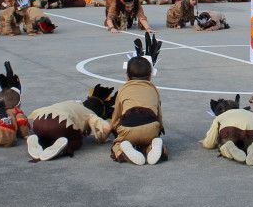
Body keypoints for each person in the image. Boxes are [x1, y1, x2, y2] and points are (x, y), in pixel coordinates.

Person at [102, 34, 165, 165]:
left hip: (129, 129)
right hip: (151, 127)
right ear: (150, 77)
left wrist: (110, 129)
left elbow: (117, 115)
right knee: (151, 138)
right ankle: (153, 146)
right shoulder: (154, 89)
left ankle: (123, 149)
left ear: (127, 76)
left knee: (118, 142)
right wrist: (159, 129)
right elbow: (159, 114)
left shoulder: (123, 89)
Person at [24, 85, 116, 162]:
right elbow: (107, 128)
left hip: (38, 122)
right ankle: (64, 149)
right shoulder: (90, 113)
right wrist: (101, 138)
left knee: (50, 133)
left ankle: (39, 140)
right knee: (77, 139)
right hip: (59, 125)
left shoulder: (73, 102)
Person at [199, 96, 253, 166]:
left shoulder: (220, 116)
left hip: (231, 132)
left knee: (223, 143)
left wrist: (205, 143)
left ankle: (228, 146)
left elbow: (210, 141)